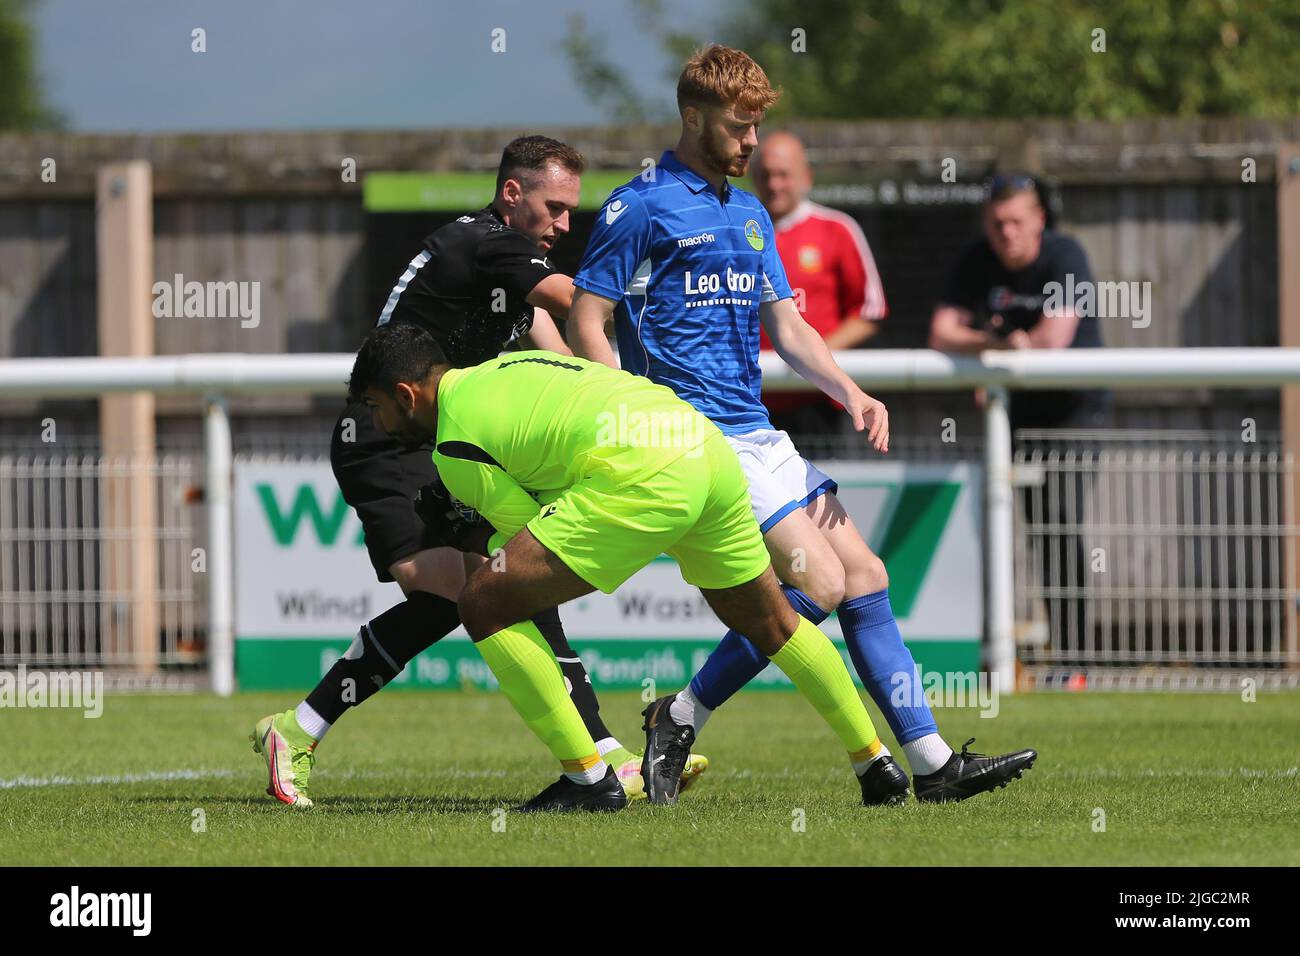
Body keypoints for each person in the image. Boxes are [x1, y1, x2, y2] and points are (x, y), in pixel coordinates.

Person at [569, 44, 1036, 804]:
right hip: (696, 438)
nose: (752, 141)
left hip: (760, 432)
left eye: (758, 126)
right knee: (816, 582)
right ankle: (683, 715)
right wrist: (630, 416)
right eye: (738, 125)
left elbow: (789, 330)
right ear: (693, 117)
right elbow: (591, 318)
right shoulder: (642, 204)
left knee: (865, 577)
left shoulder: (749, 213)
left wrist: (850, 390)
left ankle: (932, 766)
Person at [250, 135, 703, 807]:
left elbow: (565, 359)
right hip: (385, 437)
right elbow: (579, 305)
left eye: (572, 211)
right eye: (554, 207)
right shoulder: (489, 244)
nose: (564, 224)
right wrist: (660, 313)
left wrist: (623, 403)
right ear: (512, 194)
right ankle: (299, 730)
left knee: (505, 578)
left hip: (444, 442)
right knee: (467, 589)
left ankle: (601, 755)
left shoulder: (508, 265)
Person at [349, 322, 914, 812]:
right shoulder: (509, 363)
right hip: (704, 447)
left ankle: (588, 780)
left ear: (406, 393)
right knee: (773, 621)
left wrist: (466, 532)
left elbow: (525, 538)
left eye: (375, 407)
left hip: (646, 475)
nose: (377, 423)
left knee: (482, 600)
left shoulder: (453, 446)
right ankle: (874, 764)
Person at [929, 173, 1110, 659]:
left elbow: (1053, 339)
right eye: (996, 223)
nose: (1005, 233)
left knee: (1057, 522)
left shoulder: (1066, 255)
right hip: (1008, 413)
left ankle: (1074, 657)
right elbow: (942, 332)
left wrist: (993, 345)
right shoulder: (975, 259)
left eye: (1015, 222)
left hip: (1072, 409)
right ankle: (999, 653)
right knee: (1000, 522)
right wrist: (999, 344)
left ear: (1038, 221)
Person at [750, 130, 889, 437]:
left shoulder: (837, 229)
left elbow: (869, 312)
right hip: (749, 399)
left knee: (815, 484)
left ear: (806, 177)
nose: (774, 184)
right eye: (765, 175)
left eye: (783, 175)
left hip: (815, 401)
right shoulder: (736, 232)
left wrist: (810, 358)